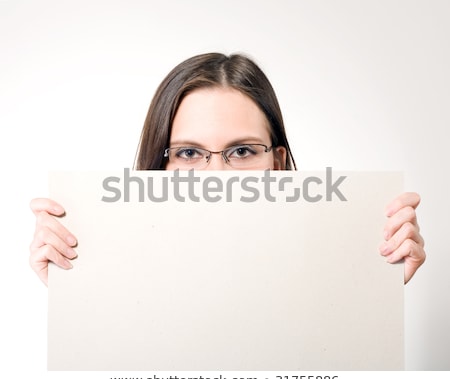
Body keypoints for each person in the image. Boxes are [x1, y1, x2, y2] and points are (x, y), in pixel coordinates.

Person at [29, 52, 426, 286]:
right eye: (188, 153)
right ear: (160, 165)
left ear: (277, 162)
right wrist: (75, 289)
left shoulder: (324, 278)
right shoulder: (122, 283)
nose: (215, 177)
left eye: (240, 151)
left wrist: (375, 288)